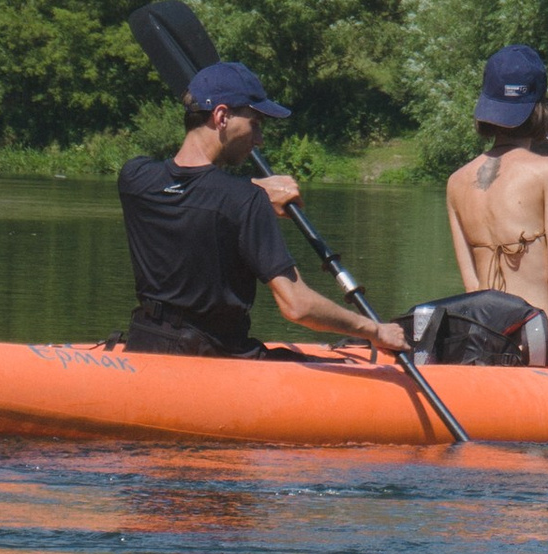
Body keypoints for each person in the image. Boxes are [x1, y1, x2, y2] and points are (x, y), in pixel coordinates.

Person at [117, 61, 405, 363]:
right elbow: (298, 306)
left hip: (144, 345)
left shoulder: (134, 178)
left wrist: (251, 188)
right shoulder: (245, 201)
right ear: (222, 116)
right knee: (348, 366)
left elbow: (192, 186)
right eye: (255, 123)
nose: (259, 139)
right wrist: (374, 330)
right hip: (214, 359)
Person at [444, 45, 548, 337]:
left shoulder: (456, 182)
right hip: (536, 337)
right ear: (541, 109)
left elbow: (472, 288)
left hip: (481, 337)